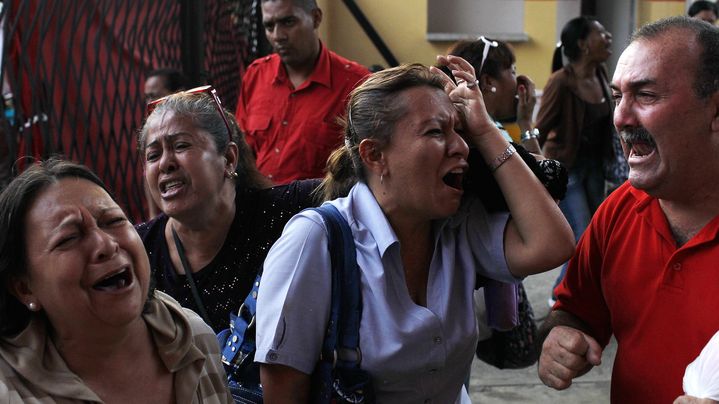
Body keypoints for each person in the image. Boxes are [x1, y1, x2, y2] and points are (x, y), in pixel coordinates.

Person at [255, 59, 575, 403]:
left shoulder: (457, 226)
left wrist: (485, 131)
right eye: (436, 132)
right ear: (375, 155)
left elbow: (551, 244)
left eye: (458, 131)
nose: (461, 147)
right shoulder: (314, 242)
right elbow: (283, 392)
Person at [537, 16, 719, 403]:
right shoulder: (618, 211)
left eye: (646, 95)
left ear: (715, 111)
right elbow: (576, 310)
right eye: (618, 96)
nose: (620, 117)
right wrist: (561, 335)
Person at [0, 158, 231, 403]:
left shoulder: (194, 338)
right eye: (68, 238)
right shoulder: (9, 391)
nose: (106, 245)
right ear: (25, 288)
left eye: (113, 221)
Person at [135, 87, 319, 333]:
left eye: (180, 146)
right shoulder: (138, 251)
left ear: (229, 158)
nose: (165, 164)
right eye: (153, 155)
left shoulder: (287, 210)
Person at [535, 16, 627, 304]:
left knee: (599, 233)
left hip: (595, 169)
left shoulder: (601, 75)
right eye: (601, 33)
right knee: (583, 232)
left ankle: (589, 292)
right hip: (569, 170)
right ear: (583, 44)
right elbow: (540, 125)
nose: (608, 37)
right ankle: (559, 295)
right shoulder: (561, 82)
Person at [235, 0, 370, 184]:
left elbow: (367, 167)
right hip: (257, 204)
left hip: (317, 209)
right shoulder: (256, 75)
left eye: (288, 22)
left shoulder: (355, 84)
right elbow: (243, 152)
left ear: (315, 18)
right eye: (269, 26)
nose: (278, 36)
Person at [448, 37, 541, 154]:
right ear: (488, 82)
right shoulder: (488, 135)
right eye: (513, 71)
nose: (518, 81)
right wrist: (526, 123)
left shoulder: (469, 125)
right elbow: (537, 171)